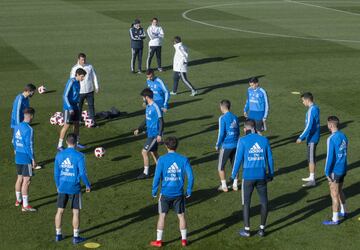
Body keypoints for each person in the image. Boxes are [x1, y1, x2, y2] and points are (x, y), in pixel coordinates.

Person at [231, 119, 274, 237]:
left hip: (248, 177)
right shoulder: (264, 140)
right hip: (261, 176)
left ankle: (247, 230)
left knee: (246, 203)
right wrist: (271, 173)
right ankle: (262, 229)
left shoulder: (243, 140)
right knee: (264, 202)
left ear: (246, 129)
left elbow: (238, 159)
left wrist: (233, 175)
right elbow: (269, 158)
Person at [151, 136, 194, 247]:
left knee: (162, 216)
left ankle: (159, 241)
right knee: (181, 216)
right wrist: (189, 190)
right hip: (179, 194)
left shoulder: (161, 159)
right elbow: (191, 176)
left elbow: (156, 177)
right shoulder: (184, 159)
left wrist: (154, 190)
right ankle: (184, 240)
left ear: (166, 146)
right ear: (177, 146)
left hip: (165, 194)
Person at [54, 133, 91, 244]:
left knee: (59, 211)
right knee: (75, 212)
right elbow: (82, 174)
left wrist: (57, 185)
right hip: (74, 187)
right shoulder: (79, 156)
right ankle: (75, 237)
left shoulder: (59, 155)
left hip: (62, 186)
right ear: (76, 142)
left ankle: (58, 235)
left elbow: (56, 173)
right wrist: (88, 185)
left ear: (66, 142)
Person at [323, 116, 348, 226]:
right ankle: (344, 210)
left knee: (334, 194)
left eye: (328, 124)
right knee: (340, 190)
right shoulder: (344, 136)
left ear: (331, 125)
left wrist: (326, 172)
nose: (327, 126)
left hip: (335, 170)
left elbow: (330, 157)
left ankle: (335, 219)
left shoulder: (331, 139)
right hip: (343, 168)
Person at [134, 88, 164, 179]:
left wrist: (159, 134)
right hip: (150, 133)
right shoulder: (148, 106)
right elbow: (146, 119)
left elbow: (161, 121)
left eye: (143, 97)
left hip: (154, 134)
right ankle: (161, 170)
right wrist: (139, 129)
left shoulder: (156, 107)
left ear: (147, 97)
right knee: (153, 152)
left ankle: (146, 172)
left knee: (144, 152)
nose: (142, 99)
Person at [13, 107, 37, 212]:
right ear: (31, 116)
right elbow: (29, 145)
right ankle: (25, 205)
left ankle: (18, 200)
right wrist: (33, 159)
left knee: (19, 178)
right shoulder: (29, 129)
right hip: (26, 157)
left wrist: (15, 149)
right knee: (26, 181)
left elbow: (13, 140)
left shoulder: (17, 126)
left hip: (18, 155)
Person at [57, 68, 87, 151]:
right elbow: (65, 96)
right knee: (66, 125)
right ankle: (59, 145)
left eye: (84, 77)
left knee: (77, 125)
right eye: (82, 76)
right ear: (77, 75)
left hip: (75, 106)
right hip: (68, 108)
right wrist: (70, 108)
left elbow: (76, 95)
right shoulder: (71, 82)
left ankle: (76, 142)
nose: (83, 78)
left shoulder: (78, 82)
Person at [296, 92, 320, 187]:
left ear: (307, 100)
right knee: (310, 158)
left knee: (311, 158)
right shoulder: (315, 108)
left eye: (303, 101)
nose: (302, 103)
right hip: (313, 136)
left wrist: (301, 137)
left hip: (312, 138)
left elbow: (309, 126)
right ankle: (311, 177)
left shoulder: (312, 110)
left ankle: (312, 179)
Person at [215, 100, 240, 192]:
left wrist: (218, 144)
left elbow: (221, 133)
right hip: (236, 144)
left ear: (222, 107)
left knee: (220, 166)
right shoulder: (235, 117)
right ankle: (235, 185)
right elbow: (238, 131)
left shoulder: (222, 118)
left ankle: (224, 186)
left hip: (226, 146)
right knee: (235, 165)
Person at [70, 53, 100, 127]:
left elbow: (94, 76)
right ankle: (79, 121)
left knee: (91, 106)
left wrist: (96, 86)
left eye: (84, 59)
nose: (83, 61)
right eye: (82, 60)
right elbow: (72, 80)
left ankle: (93, 121)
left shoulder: (90, 66)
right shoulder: (74, 68)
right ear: (78, 60)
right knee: (79, 107)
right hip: (80, 92)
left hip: (90, 91)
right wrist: (73, 91)